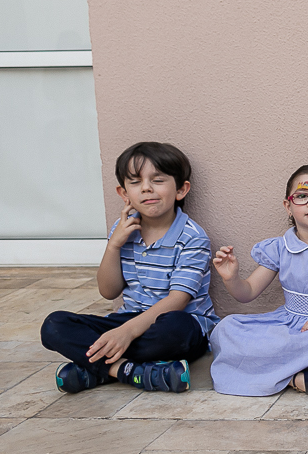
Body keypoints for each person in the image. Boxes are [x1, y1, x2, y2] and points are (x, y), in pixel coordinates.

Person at [41, 142, 218, 393]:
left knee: (177, 329)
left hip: (177, 325)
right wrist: (114, 246)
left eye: (157, 180)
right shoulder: (122, 229)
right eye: (135, 182)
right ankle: (128, 371)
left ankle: (96, 369)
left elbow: (178, 300)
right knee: (53, 325)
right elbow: (108, 291)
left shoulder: (193, 238)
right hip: (129, 319)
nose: (146, 188)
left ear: (181, 189)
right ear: (124, 194)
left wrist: (126, 333)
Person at [208, 165, 308, 397]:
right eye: (302, 196)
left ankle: (287, 370)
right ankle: (296, 377)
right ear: (288, 206)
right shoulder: (279, 248)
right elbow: (247, 293)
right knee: (226, 329)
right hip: (288, 323)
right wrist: (231, 277)